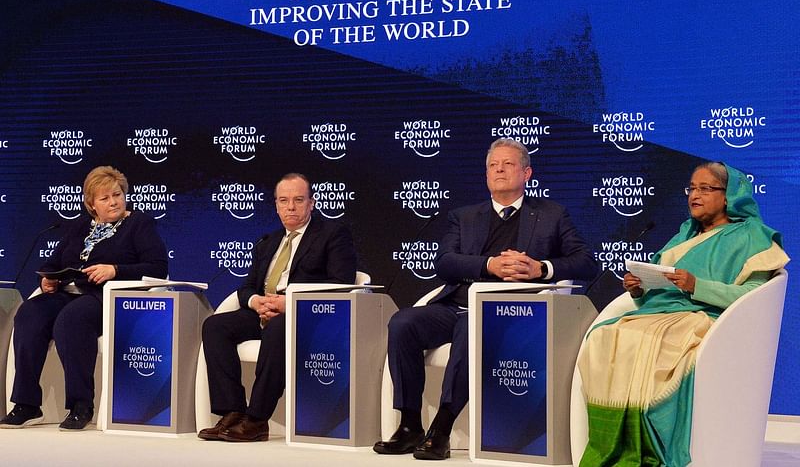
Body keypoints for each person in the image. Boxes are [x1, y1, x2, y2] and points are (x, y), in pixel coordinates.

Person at [374, 138, 597, 460]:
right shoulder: (464, 216)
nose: (499, 170)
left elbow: (587, 263)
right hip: (455, 306)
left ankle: (441, 428)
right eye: (493, 165)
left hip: (509, 313)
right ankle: (410, 425)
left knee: (472, 327)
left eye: (508, 164)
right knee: (403, 322)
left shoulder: (551, 215)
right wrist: (488, 264)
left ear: (527, 173)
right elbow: (445, 263)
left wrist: (541, 268)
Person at [578, 162, 789, 467]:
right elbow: (660, 291)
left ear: (728, 195)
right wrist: (639, 289)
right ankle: (612, 443)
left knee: (658, 341)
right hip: (660, 314)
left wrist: (696, 285)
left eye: (706, 188)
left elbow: (751, 297)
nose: (695, 195)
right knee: (605, 336)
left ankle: (651, 446)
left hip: (710, 319)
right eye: (692, 188)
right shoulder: (683, 236)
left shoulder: (753, 236)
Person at [0, 166, 168, 431]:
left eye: (117, 194)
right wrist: (47, 279)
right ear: (91, 204)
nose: (113, 202)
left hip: (108, 297)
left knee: (72, 319)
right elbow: (54, 262)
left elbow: (158, 267)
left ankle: (81, 405)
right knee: (30, 312)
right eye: (105, 198)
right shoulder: (80, 226)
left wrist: (115, 270)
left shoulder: (138, 224)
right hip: (68, 293)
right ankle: (27, 404)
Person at [198, 172, 358, 443]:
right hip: (264, 312)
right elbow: (248, 286)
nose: (291, 207)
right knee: (215, 326)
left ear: (312, 203)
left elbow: (341, 283)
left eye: (298, 200)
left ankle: (257, 419)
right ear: (276, 205)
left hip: (306, 317)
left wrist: (290, 303)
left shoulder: (332, 235)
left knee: (279, 329)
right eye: (284, 201)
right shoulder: (268, 242)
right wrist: (255, 301)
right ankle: (232, 412)